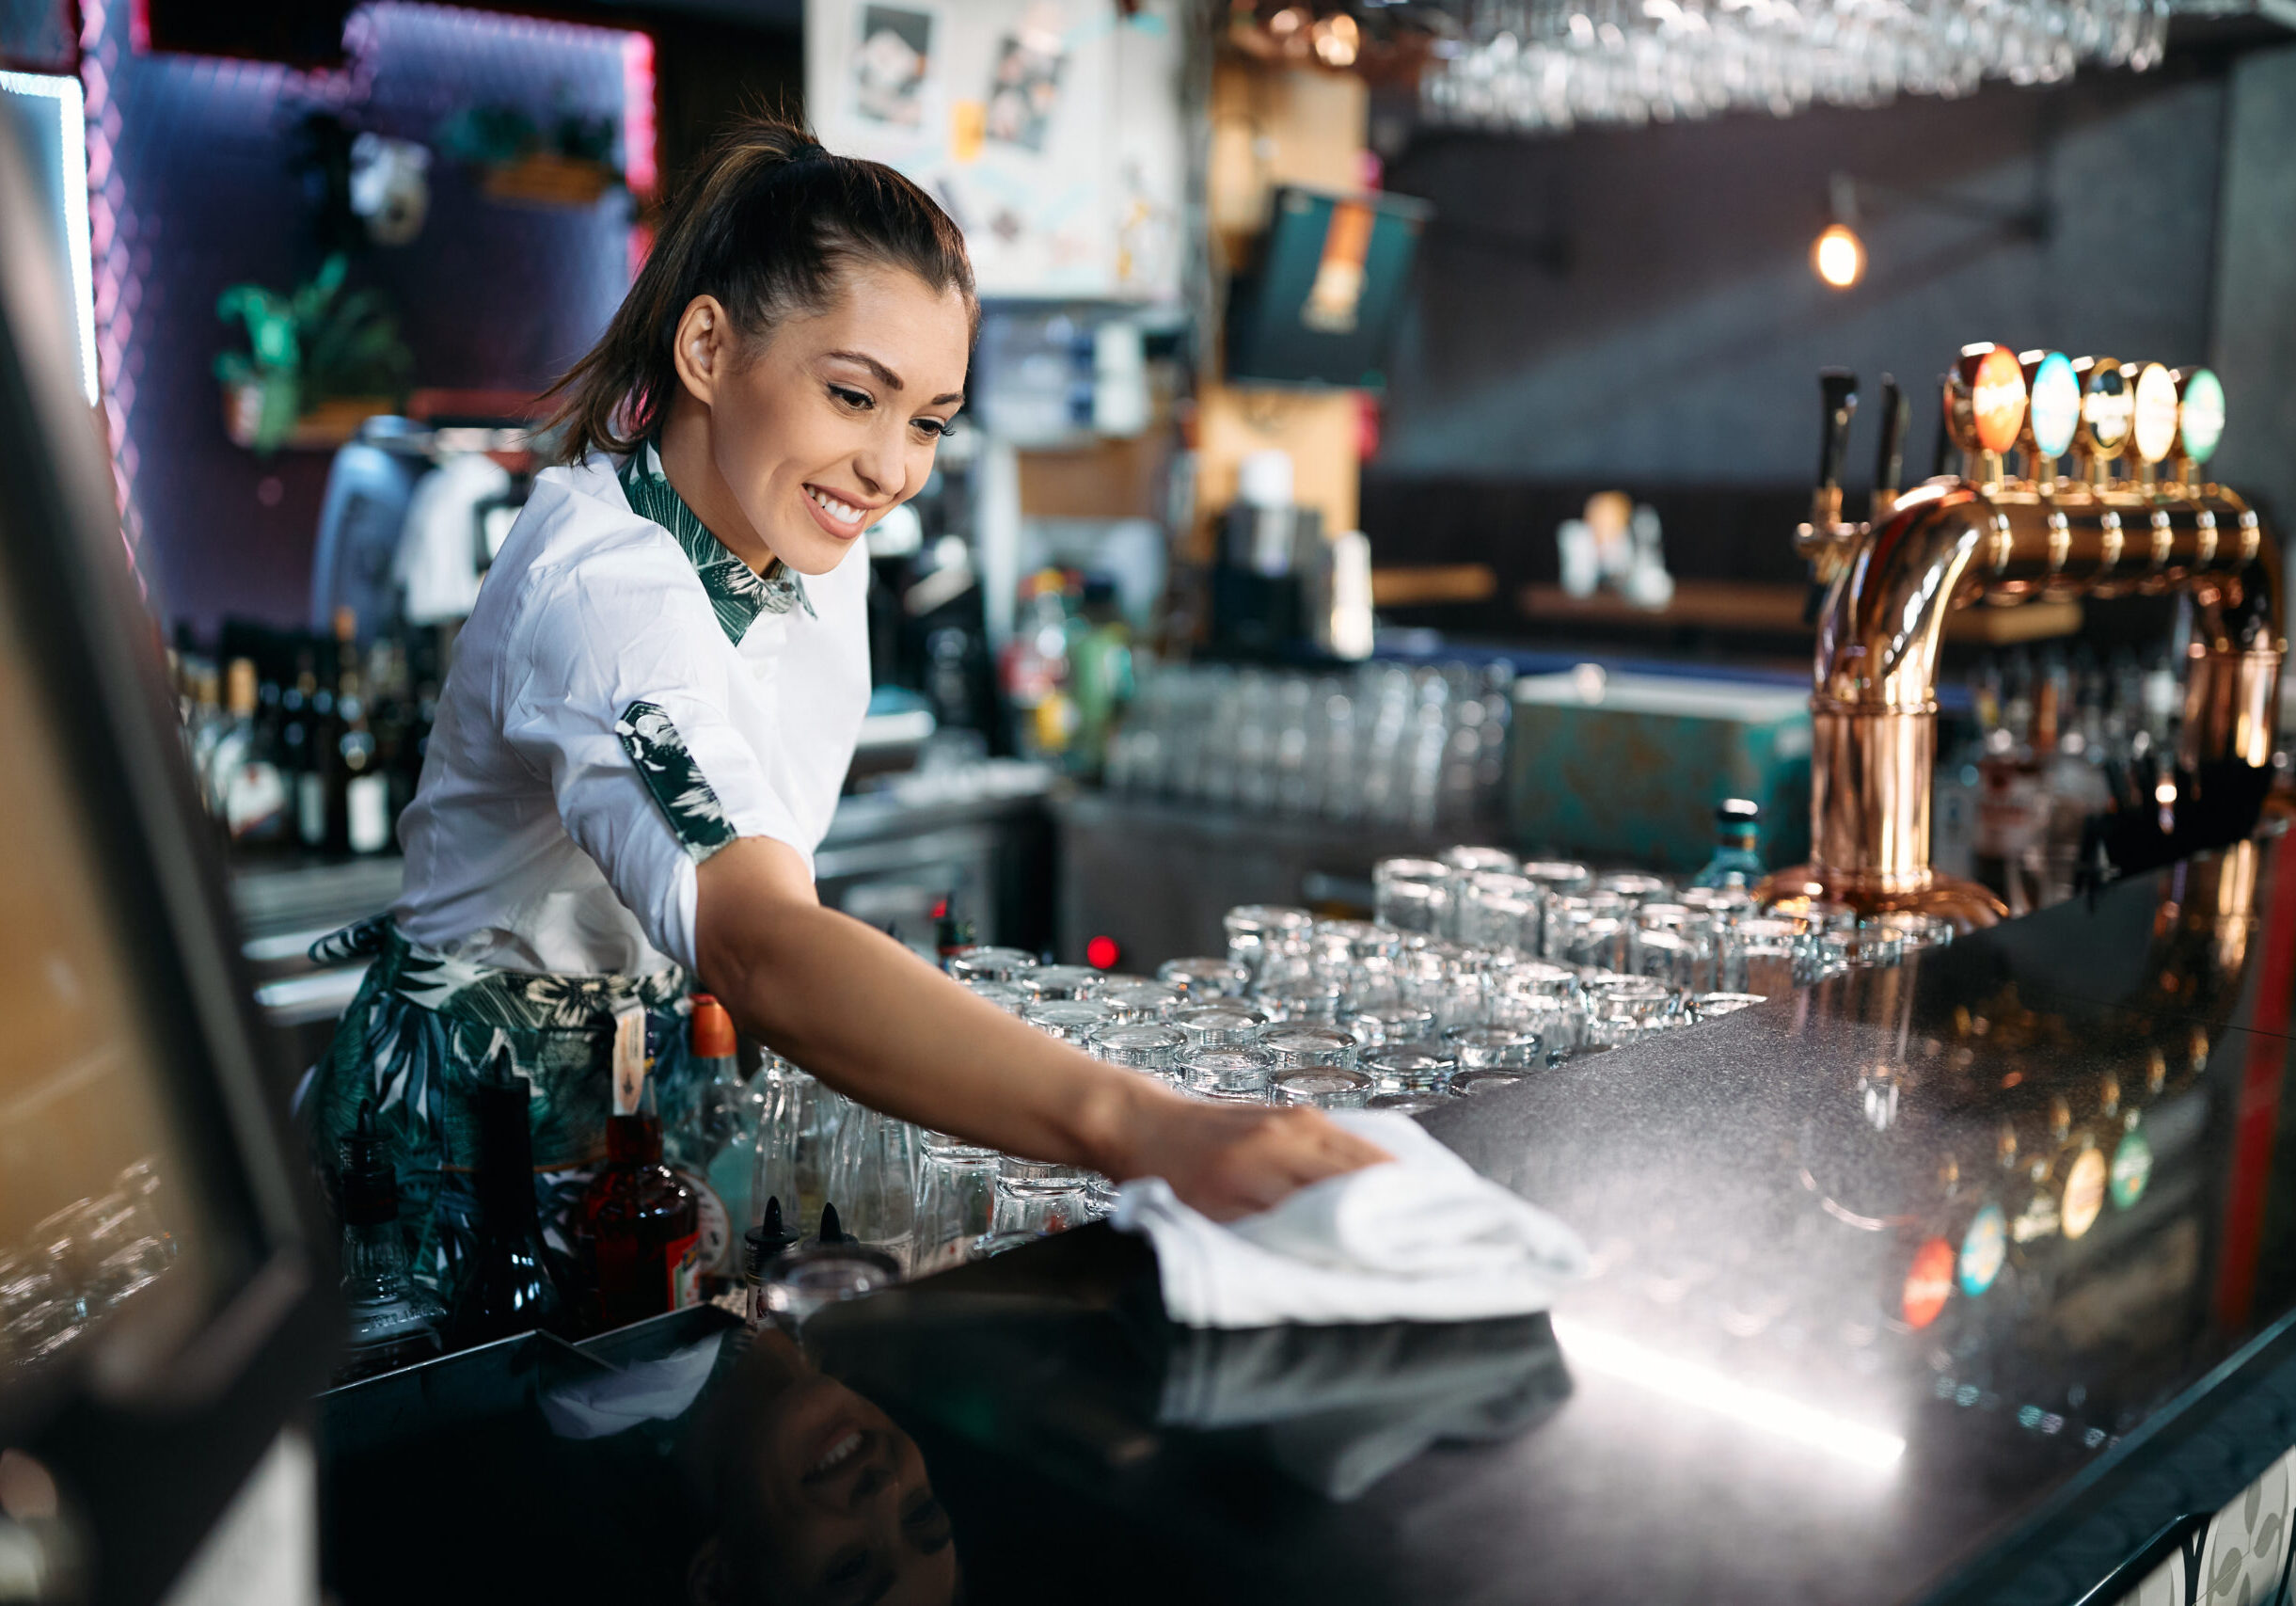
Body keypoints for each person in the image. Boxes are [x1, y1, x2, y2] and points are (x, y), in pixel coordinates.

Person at [301, 119, 1386, 1299]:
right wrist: (1143, 1127)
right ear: (707, 348)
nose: (889, 469)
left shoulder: (810, 535)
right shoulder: (605, 590)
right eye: (853, 395)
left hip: (641, 1111)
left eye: (926, 420)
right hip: (455, 1155)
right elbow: (761, 943)